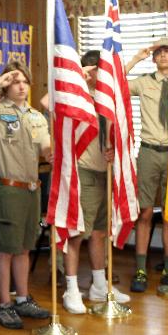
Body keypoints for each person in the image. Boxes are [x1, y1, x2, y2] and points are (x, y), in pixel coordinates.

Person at [44, 51, 131, 314]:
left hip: (105, 172)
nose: (97, 76)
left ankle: (98, 284)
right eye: (94, 70)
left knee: (99, 233)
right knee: (77, 232)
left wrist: (112, 151)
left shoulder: (105, 99)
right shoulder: (75, 96)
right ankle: (71, 288)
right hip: (82, 173)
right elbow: (47, 102)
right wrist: (80, 76)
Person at [0, 61, 52, 329]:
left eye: (24, 81)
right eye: (15, 81)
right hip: (9, 189)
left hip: (32, 190)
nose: (21, 86)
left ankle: (23, 298)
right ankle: (5, 303)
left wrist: (57, 149)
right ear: (6, 85)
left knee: (24, 248)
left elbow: (47, 151)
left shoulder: (36, 116)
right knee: (6, 249)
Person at [124, 37, 168, 292]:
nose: (163, 55)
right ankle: (141, 269)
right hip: (147, 152)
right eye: (159, 52)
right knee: (145, 212)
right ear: (154, 58)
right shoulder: (144, 83)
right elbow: (114, 83)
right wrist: (137, 58)